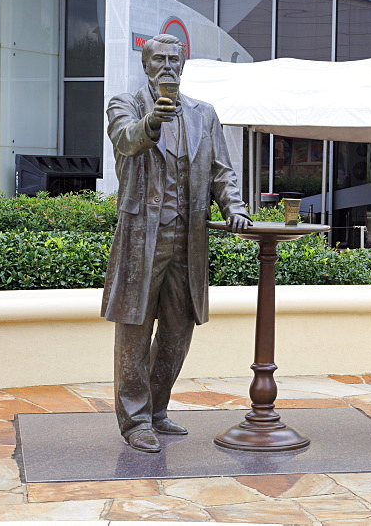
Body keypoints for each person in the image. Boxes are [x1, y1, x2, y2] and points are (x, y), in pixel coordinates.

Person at [102, 33, 251, 453]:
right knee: (134, 327)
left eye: (174, 58)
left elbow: (223, 169)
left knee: (177, 329)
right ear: (146, 65)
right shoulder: (126, 105)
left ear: (183, 65)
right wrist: (154, 121)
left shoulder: (204, 114)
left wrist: (233, 208)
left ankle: (158, 407)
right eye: (158, 59)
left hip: (190, 236)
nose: (167, 65)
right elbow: (126, 139)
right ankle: (135, 422)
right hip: (143, 236)